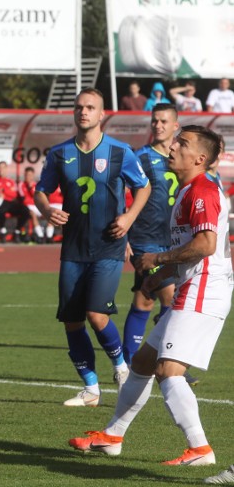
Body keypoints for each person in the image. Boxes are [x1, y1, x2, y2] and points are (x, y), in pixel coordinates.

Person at [69, 125, 231, 467]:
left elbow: (206, 245)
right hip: (193, 284)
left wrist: (156, 260)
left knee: (168, 369)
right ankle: (113, 436)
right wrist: (154, 280)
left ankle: (200, 449)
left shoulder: (203, 189)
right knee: (142, 363)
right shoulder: (187, 192)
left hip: (205, 288)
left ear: (200, 158)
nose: (172, 147)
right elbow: (186, 252)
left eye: (182, 144)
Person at [34, 87, 151, 407]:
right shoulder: (59, 154)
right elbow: (40, 191)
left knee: (96, 314)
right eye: (79, 107)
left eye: (90, 107)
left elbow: (144, 186)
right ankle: (91, 389)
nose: (83, 112)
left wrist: (128, 218)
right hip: (72, 249)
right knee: (72, 321)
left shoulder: (120, 152)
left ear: (102, 115)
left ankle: (121, 368)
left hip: (109, 246)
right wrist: (46, 210)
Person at [121, 105, 180, 366]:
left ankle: (129, 362)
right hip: (145, 239)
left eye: (164, 121)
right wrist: (122, 234)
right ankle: (168, 360)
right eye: (154, 121)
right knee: (170, 296)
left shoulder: (182, 156)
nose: (158, 125)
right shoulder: (140, 157)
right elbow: (119, 194)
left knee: (145, 301)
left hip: (175, 241)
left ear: (175, 125)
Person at [0, 161, 29, 243]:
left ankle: (17, 231)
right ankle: (3, 231)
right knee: (1, 209)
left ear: (6, 169)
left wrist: (4, 191)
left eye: (3, 167)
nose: (1, 169)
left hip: (11, 202)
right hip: (0, 203)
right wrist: (4, 193)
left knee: (25, 210)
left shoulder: (10, 181)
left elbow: (13, 194)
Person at [20, 167, 46, 244]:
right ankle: (40, 236)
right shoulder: (21, 185)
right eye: (27, 175)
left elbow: (39, 196)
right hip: (27, 207)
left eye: (30, 175)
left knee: (49, 215)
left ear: (33, 175)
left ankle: (49, 236)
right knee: (32, 214)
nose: (28, 177)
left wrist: (31, 188)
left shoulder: (36, 185)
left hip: (36, 206)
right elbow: (22, 198)